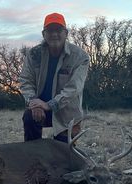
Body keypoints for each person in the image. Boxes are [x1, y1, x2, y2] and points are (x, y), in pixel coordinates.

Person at [19, 12, 89, 143]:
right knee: (29, 117)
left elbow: (74, 88)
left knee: (65, 156)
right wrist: (34, 103)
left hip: (66, 113)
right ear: (43, 34)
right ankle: (32, 156)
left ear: (66, 33)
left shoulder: (80, 57)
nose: (54, 34)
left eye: (58, 30)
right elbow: (26, 80)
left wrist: (49, 105)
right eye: (50, 30)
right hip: (39, 111)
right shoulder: (34, 54)